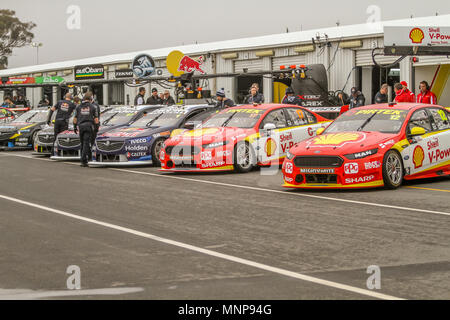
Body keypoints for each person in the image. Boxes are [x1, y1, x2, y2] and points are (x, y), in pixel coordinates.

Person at [73, 93, 99, 167]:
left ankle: (87, 158)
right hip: (89, 126)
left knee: (82, 143)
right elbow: (96, 119)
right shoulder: (93, 107)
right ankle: (83, 160)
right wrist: (96, 128)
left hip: (81, 126)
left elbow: (75, 118)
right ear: (90, 99)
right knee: (86, 143)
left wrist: (75, 127)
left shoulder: (78, 107)